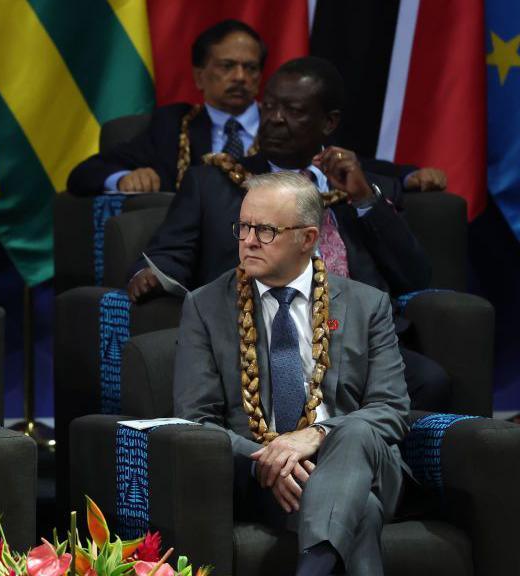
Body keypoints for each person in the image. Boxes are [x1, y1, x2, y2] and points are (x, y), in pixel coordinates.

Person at [130, 56, 449, 412]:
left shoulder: (358, 185)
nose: (275, 119)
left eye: (293, 110)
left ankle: (360, 452)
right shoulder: (216, 182)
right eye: (269, 107)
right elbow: (171, 252)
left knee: (430, 381)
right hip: (261, 335)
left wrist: (363, 200)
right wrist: (149, 273)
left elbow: (414, 275)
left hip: (355, 339)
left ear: (329, 122)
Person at [174, 171, 410, 575]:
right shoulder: (206, 306)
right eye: (244, 226)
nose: (248, 240)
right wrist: (271, 460)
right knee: (361, 510)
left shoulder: (367, 305)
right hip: (265, 478)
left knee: (352, 431)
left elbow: (391, 408)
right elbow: (196, 420)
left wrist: (316, 435)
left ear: (308, 238)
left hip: (364, 462)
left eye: (265, 230)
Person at [66, 20, 445, 196]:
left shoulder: (289, 123)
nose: (240, 77)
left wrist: (408, 177)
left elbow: (347, 164)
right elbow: (84, 173)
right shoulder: (172, 124)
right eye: (227, 66)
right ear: (200, 76)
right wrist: (122, 180)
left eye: (250, 68)